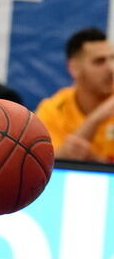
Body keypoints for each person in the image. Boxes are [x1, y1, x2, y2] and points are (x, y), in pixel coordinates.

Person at [35, 27, 114, 162]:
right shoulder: (52, 110)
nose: (111, 68)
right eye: (99, 61)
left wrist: (95, 162)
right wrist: (95, 119)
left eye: (112, 59)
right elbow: (46, 165)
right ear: (74, 68)